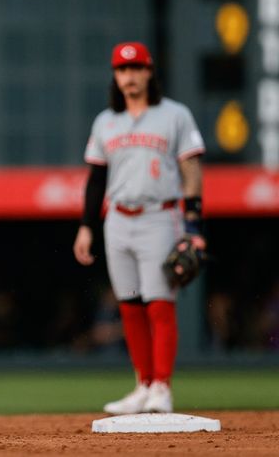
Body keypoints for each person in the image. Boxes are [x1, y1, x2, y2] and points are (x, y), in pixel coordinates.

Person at [73, 41, 206, 415]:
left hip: (159, 218)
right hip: (117, 221)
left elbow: (191, 170)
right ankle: (143, 383)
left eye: (136, 69)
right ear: (116, 76)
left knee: (159, 304)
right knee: (130, 305)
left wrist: (194, 223)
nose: (129, 76)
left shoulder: (174, 115)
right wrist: (87, 226)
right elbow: (96, 178)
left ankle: (162, 387)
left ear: (149, 72)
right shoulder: (106, 121)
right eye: (122, 70)